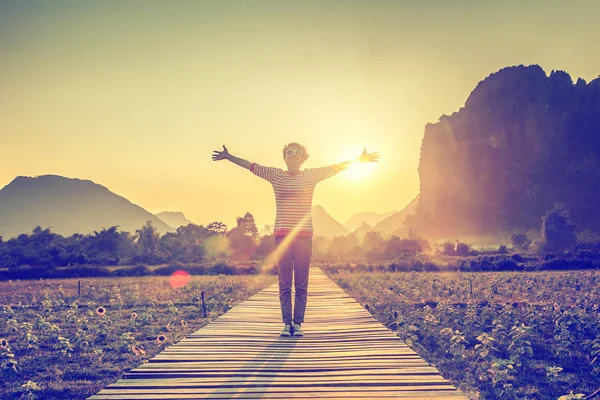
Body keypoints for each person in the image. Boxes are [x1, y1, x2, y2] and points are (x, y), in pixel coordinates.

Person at [212, 143, 379, 337]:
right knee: (284, 282)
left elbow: (335, 168)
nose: (293, 155)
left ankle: (298, 323)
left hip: (304, 237)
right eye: (289, 152)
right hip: (282, 236)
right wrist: (229, 156)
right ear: (284, 157)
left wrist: (359, 161)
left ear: (303, 158)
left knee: (301, 282)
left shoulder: (311, 175)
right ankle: (286, 323)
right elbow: (250, 166)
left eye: (297, 153)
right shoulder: (275, 175)